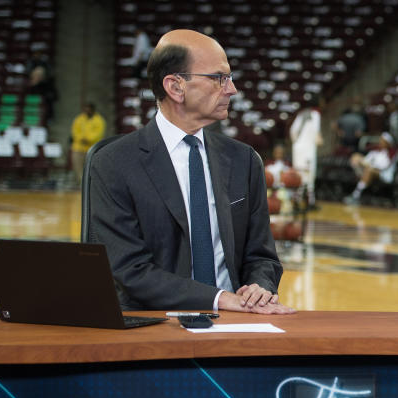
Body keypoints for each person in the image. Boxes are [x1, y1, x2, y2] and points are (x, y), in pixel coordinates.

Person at [88, 29, 292, 314]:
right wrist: (220, 299)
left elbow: (262, 257)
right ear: (175, 87)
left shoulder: (244, 159)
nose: (231, 89)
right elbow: (130, 270)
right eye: (219, 78)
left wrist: (260, 287)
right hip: (153, 321)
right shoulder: (113, 163)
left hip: (237, 320)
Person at [344, 132, 396, 204]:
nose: (380, 142)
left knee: (369, 170)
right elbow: (366, 160)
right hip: (369, 169)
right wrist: (362, 162)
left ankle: (356, 195)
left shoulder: (391, 153)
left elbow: (383, 167)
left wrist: (368, 165)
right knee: (356, 156)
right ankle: (360, 176)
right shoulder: (375, 151)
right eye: (380, 140)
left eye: (383, 141)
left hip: (383, 174)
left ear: (388, 143)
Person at [289, 102, 321, 207]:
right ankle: (309, 201)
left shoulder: (301, 114)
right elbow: (317, 135)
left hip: (297, 148)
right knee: (309, 174)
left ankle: (297, 200)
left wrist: (297, 143)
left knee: (299, 174)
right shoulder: (315, 114)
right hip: (308, 148)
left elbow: (292, 131)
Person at [70, 102, 106, 186]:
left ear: (93, 109)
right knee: (78, 167)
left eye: (89, 109)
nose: (87, 111)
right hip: (78, 148)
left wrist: (88, 139)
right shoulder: (79, 119)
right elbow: (75, 131)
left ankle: (91, 185)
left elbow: (98, 133)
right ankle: (81, 185)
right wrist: (81, 138)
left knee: (92, 168)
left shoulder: (99, 120)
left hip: (92, 148)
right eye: (85, 109)